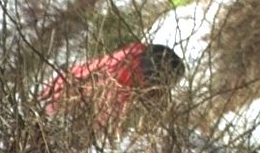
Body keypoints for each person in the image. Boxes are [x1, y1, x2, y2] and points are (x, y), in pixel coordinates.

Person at [41, 42, 184, 126]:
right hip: (57, 101)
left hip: (62, 85)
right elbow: (102, 127)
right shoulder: (116, 86)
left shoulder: (133, 53)